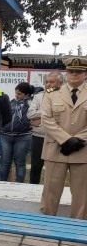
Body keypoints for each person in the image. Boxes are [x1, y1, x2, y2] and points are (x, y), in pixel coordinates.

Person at [40, 56, 87, 219]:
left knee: (82, 195)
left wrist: (77, 140)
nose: (74, 74)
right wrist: (66, 139)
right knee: (50, 193)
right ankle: (47, 227)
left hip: (83, 151)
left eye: (79, 72)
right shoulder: (52, 94)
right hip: (56, 149)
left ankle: (78, 229)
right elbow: (46, 119)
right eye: (71, 71)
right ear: (66, 73)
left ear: (85, 74)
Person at [27, 71, 64, 184]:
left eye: (52, 82)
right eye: (47, 82)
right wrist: (48, 112)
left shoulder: (65, 97)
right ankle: (32, 191)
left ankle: (51, 193)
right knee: (35, 168)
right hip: (38, 136)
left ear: (60, 83)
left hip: (56, 138)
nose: (48, 84)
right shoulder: (39, 97)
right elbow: (30, 114)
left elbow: (63, 116)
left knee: (54, 169)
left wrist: (42, 117)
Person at [0, 82, 34, 182]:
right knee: (5, 162)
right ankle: (1, 183)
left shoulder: (31, 104)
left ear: (27, 95)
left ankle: (20, 184)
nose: (16, 95)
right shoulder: (11, 102)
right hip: (6, 136)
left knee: (20, 162)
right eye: (16, 93)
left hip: (23, 137)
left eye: (19, 94)